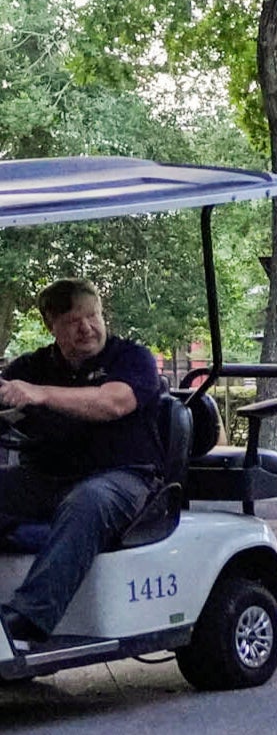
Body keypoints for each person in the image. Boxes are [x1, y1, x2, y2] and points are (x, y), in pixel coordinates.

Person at [2, 278, 170, 651]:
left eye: (92, 316)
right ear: (52, 325)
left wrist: (41, 395)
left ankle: (28, 618)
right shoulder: (34, 366)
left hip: (126, 477)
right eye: (74, 321)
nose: (87, 328)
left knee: (86, 502)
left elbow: (114, 403)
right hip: (50, 476)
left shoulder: (130, 359)